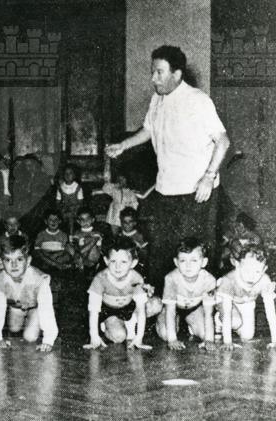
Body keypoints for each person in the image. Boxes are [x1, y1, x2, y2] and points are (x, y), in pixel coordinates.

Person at [106, 45, 230, 286]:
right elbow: (148, 130)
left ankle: (203, 304)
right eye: (152, 72)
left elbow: (223, 141)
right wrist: (124, 145)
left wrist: (208, 177)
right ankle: (162, 303)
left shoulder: (197, 100)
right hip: (165, 190)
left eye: (159, 72)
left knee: (196, 255)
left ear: (177, 74)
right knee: (162, 251)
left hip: (196, 193)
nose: (153, 78)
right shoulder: (157, 99)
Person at [84, 237, 160, 350]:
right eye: (113, 261)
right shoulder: (100, 279)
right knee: (119, 336)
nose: (117, 266)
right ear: (106, 261)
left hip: (128, 307)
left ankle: (130, 323)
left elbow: (141, 309)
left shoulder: (136, 278)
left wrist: (139, 338)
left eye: (123, 262)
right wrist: (94, 336)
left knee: (156, 303)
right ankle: (107, 326)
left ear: (133, 263)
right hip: (109, 311)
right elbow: (93, 311)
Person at [0, 235, 58, 352]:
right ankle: (24, 320)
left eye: (19, 259)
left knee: (30, 337)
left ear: (28, 261)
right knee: (14, 328)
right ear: (1, 262)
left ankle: (34, 320)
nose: (14, 265)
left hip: (35, 307)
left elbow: (46, 309)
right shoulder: (0, 279)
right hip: (17, 306)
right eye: (8, 260)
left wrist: (48, 340)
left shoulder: (39, 280)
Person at [155, 238, 217, 351]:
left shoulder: (209, 280)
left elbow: (208, 313)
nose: (188, 265)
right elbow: (170, 311)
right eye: (183, 260)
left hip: (194, 309)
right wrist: (172, 340)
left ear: (204, 262)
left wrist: (209, 340)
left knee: (205, 334)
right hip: (173, 310)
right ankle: (161, 320)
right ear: (176, 262)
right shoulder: (171, 278)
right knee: (166, 335)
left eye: (194, 260)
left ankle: (191, 325)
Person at [216, 244, 276, 350]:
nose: (251, 277)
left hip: (247, 303)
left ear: (264, 269)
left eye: (257, 271)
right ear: (237, 265)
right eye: (247, 270)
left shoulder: (264, 280)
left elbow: (271, 311)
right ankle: (218, 321)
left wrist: (275, 340)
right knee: (235, 321)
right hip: (227, 302)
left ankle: (235, 325)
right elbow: (227, 310)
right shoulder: (229, 280)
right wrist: (227, 341)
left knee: (247, 336)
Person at [69, 207, 102, 272]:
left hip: (93, 258)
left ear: (92, 220)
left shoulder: (96, 232)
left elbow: (93, 243)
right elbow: (74, 245)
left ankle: (90, 266)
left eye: (88, 219)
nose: (85, 221)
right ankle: (79, 265)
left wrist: (79, 253)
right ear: (78, 221)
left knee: (91, 242)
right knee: (70, 245)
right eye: (82, 219)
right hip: (81, 258)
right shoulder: (77, 233)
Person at [54, 164, 84, 234]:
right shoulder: (61, 187)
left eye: (70, 173)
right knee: (61, 220)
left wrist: (74, 210)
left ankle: (71, 234)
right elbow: (57, 201)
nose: (68, 175)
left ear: (74, 175)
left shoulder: (77, 187)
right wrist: (60, 209)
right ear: (63, 175)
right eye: (66, 173)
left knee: (71, 219)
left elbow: (80, 202)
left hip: (75, 211)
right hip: (64, 210)